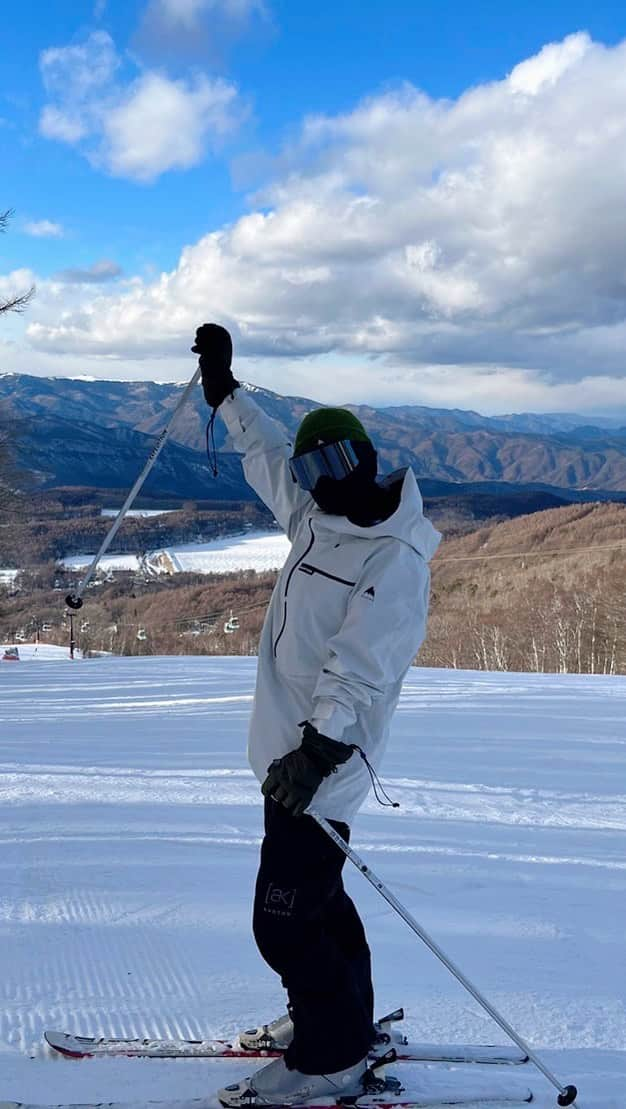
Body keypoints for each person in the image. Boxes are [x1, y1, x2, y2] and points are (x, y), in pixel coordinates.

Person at [192, 324, 441, 1108]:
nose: (321, 478)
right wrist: (226, 393)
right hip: (285, 758)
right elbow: (267, 454)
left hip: (321, 765)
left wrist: (318, 751)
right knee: (321, 898)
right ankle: (336, 1018)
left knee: (285, 923)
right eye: (313, 467)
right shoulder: (314, 514)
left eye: (335, 462)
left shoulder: (393, 556)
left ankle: (332, 1052)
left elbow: (362, 669)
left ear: (366, 458)